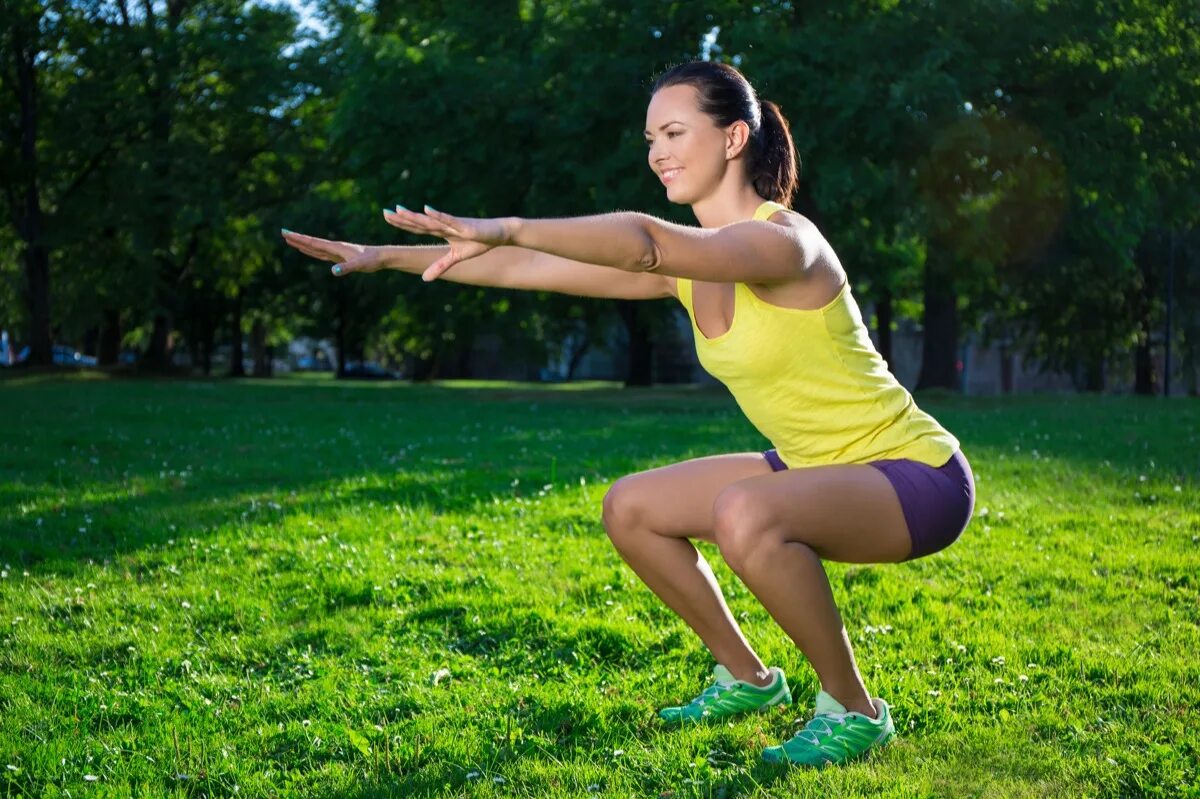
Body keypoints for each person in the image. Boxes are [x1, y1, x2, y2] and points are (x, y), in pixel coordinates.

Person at [281, 60, 974, 767]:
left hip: (915, 477)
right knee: (632, 507)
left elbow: (644, 242)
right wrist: (385, 255)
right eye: (650, 139)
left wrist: (512, 224)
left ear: (734, 138)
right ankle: (747, 676)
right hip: (814, 466)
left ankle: (854, 708)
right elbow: (528, 269)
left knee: (745, 510)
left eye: (675, 132)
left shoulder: (786, 241)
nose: (657, 153)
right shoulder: (687, 270)